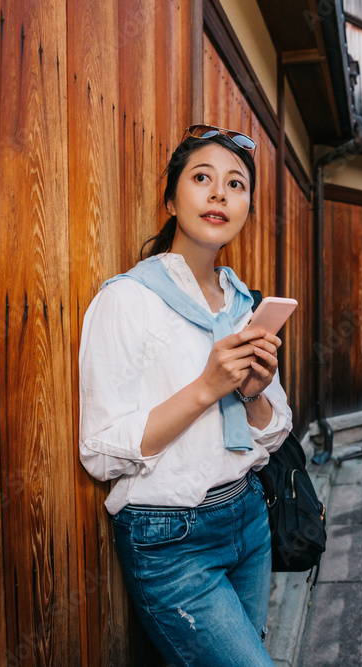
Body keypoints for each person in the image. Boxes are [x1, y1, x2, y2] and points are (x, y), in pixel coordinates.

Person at [77, 124, 293, 666]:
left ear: (246, 209)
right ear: (172, 199)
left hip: (249, 516)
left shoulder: (243, 304)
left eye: (236, 184)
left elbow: (275, 426)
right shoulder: (127, 301)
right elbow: (100, 450)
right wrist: (206, 389)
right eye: (202, 178)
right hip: (172, 538)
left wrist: (255, 393)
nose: (220, 193)